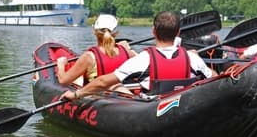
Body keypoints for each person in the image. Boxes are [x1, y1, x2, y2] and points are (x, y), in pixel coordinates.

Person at [62, 11, 218, 100]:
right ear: (178, 33)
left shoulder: (142, 59)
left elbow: (103, 81)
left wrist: (77, 94)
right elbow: (214, 77)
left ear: (153, 31)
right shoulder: (194, 59)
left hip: (151, 111)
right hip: (182, 106)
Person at [56, 14, 136, 87]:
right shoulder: (127, 53)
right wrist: (128, 49)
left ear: (94, 31)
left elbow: (63, 81)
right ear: (116, 33)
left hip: (99, 97)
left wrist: (61, 65)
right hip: (122, 95)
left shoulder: (89, 57)